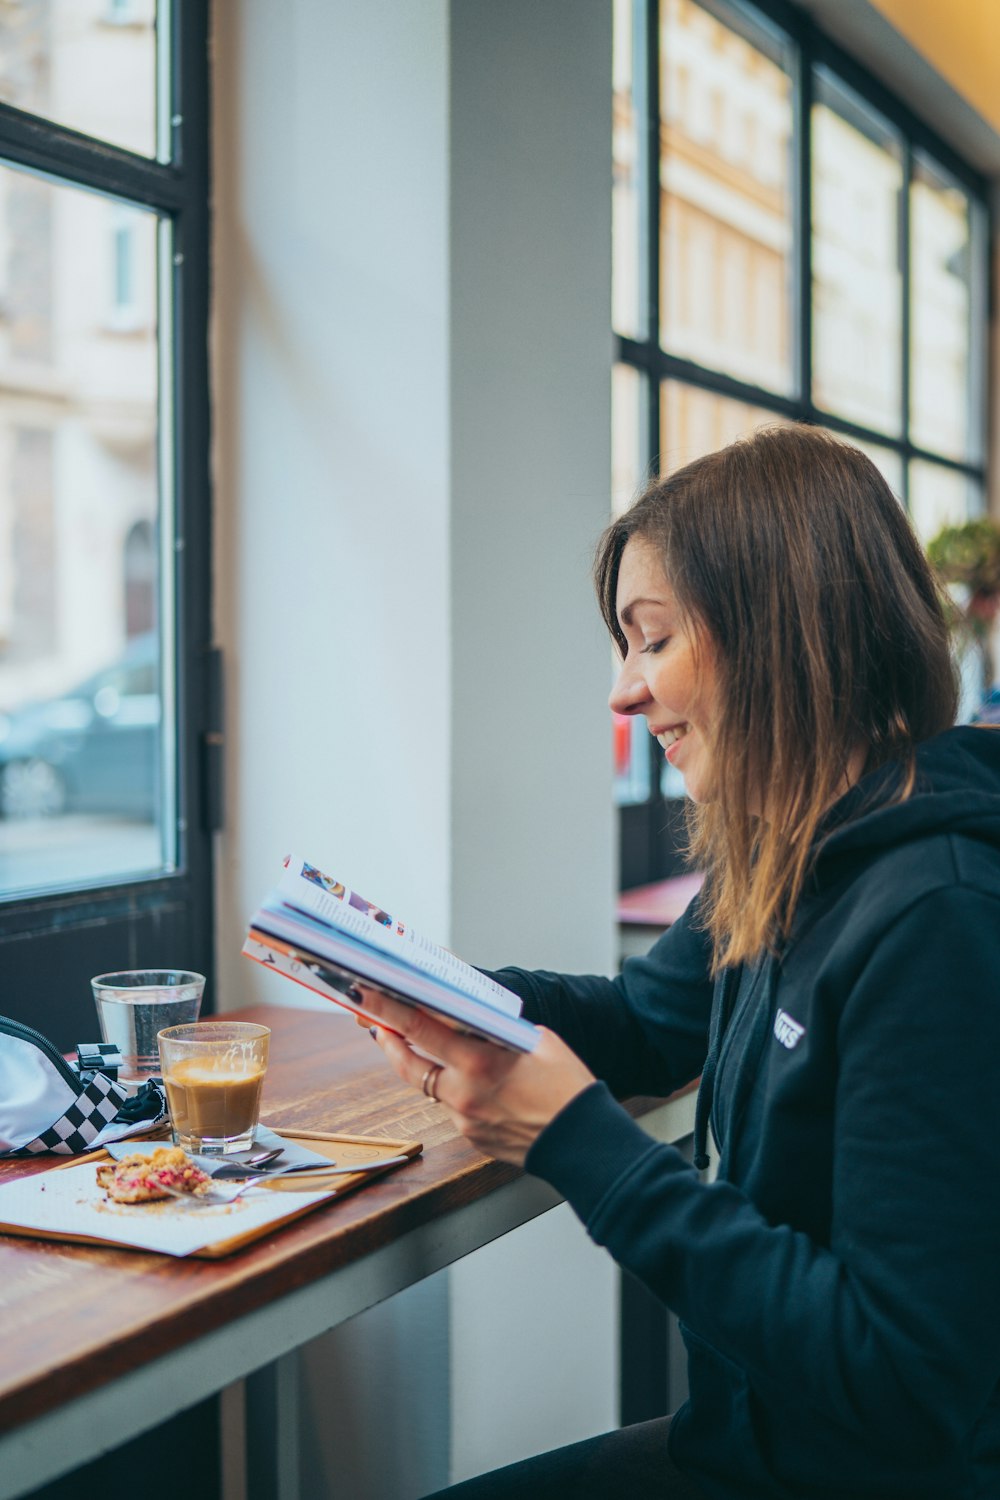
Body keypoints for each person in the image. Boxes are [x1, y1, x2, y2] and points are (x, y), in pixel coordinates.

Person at [363, 423, 1000, 1499]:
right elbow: (646, 1022)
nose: (622, 692)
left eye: (651, 641)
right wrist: (440, 989)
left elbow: (905, 1381)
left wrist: (576, 1143)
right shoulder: (783, 849)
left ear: (783, 632)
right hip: (740, 1445)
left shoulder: (937, 911)